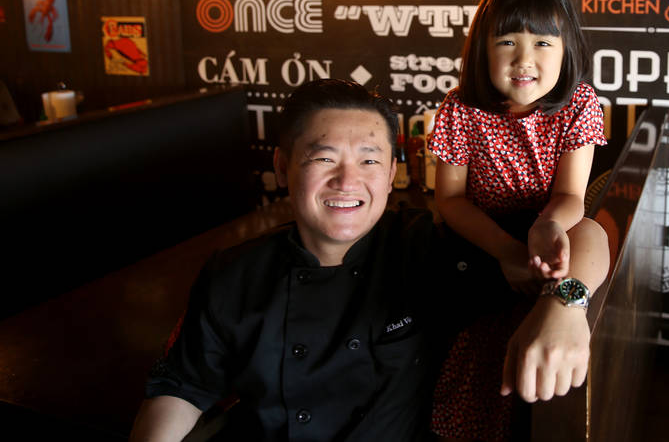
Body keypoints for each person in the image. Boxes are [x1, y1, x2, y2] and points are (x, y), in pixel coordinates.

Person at [129, 78, 609, 442]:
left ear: (393, 170)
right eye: (323, 159)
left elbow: (590, 234)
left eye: (369, 160)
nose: (347, 181)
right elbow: (182, 388)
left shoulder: (425, 251)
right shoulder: (234, 273)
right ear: (281, 167)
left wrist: (565, 305)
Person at [428, 0, 607, 441]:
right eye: (506, 41)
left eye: (544, 43)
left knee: (530, 374)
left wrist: (544, 228)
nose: (524, 59)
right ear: (482, 49)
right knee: (472, 372)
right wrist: (506, 252)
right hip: (477, 242)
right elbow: (448, 199)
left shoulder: (580, 104)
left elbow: (571, 197)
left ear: (567, 48)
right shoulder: (460, 107)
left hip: (547, 232)